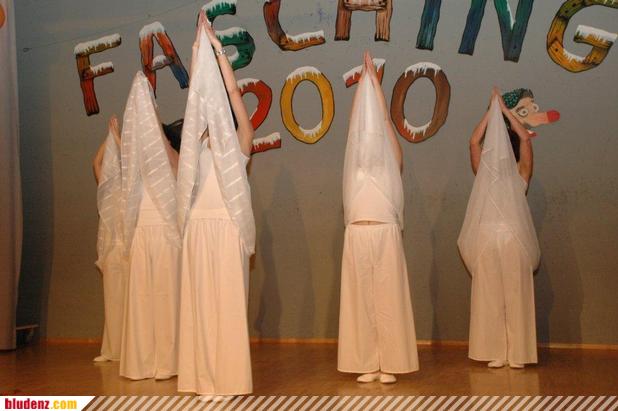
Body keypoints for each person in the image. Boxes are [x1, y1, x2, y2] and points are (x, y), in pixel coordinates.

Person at [176, 13, 255, 401]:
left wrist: (219, 51)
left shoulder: (240, 143)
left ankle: (228, 379)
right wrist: (196, 47)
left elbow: (234, 95)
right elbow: (196, 95)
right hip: (198, 227)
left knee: (226, 305)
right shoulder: (195, 146)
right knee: (202, 307)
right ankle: (204, 379)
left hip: (227, 227)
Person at [338, 51, 419, 384]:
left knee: (388, 298)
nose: (369, 138)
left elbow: (383, 123)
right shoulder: (355, 167)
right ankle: (367, 362)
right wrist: (362, 85)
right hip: (358, 232)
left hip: (385, 232)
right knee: (361, 301)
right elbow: (354, 126)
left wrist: (375, 85)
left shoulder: (391, 163)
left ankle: (390, 363)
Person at [458, 87, 540, 369]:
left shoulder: (521, 171)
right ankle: (495, 350)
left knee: (516, 296)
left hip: (514, 240)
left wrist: (504, 111)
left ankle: (518, 353)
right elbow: (473, 141)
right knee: (490, 297)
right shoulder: (484, 174)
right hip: (487, 239)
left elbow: (525, 138)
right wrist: (491, 110)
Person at [118, 71, 182, 380]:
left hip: (165, 230)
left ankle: (168, 361)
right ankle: (143, 361)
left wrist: (153, 117)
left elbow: (177, 168)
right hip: (143, 231)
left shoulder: (173, 158)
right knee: (143, 298)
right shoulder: (137, 165)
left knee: (166, 296)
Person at [91, 115, 127, 363]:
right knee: (113, 300)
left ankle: (130, 349)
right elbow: (96, 162)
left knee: (132, 302)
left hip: (130, 250)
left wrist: (118, 137)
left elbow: (134, 161)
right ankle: (112, 349)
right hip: (113, 252)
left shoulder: (133, 189)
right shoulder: (107, 190)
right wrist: (109, 136)